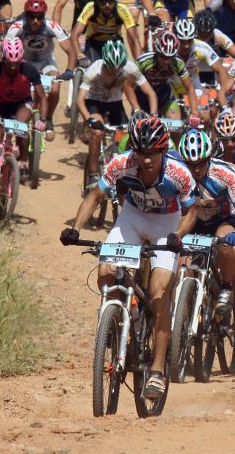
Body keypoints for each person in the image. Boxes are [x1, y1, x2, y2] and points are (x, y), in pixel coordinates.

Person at [61, 115, 197, 399]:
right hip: (132, 218)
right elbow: (95, 196)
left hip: (166, 225)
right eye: (141, 153)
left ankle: (158, 371)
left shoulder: (179, 174)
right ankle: (126, 314)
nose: (146, 161)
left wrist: (178, 236)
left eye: (153, 154)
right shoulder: (120, 165)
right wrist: (75, 229)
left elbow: (192, 212)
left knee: (160, 294)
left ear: (163, 151)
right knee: (106, 275)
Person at [178, 128, 235, 346]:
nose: (196, 169)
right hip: (193, 223)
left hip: (223, 222)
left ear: (210, 158)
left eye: (201, 163)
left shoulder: (226, 174)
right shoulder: (177, 175)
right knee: (181, 267)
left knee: (231, 253)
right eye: (191, 165)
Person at [76, 40, 158, 189]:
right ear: (105, 63)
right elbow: (80, 100)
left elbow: (150, 93)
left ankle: (126, 167)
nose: (114, 72)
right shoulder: (94, 70)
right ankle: (93, 173)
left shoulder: (130, 67)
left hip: (115, 103)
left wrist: (153, 117)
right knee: (97, 132)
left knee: (130, 134)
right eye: (111, 68)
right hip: (94, 101)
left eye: (118, 68)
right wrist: (89, 119)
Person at [0, 36, 47, 192]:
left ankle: (22, 162)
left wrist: (42, 119)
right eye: (9, 64)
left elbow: (41, 97)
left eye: (16, 64)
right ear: (3, 59)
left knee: (21, 127)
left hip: (22, 105)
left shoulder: (29, 70)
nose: (13, 68)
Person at [7, 0, 76, 139]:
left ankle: (48, 119)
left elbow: (70, 51)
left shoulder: (52, 26)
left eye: (39, 17)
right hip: (25, 62)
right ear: (26, 15)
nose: (35, 21)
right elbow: (4, 48)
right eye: (31, 17)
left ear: (44, 16)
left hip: (46, 62)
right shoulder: (17, 27)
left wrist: (69, 70)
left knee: (55, 87)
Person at [136, 28, 201, 125]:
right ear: (157, 52)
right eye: (163, 56)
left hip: (164, 94)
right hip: (143, 96)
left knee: (176, 125)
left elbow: (190, 88)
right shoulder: (144, 62)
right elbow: (128, 86)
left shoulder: (178, 63)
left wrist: (194, 113)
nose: (166, 61)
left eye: (170, 57)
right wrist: (136, 109)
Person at [172, 17, 231, 118]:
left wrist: (222, 91)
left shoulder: (201, 47)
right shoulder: (169, 48)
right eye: (182, 41)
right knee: (176, 119)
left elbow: (221, 70)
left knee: (205, 116)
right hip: (172, 84)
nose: (186, 46)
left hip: (193, 83)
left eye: (189, 41)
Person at [71, 0, 141, 63]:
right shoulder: (90, 8)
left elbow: (134, 39)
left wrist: (140, 61)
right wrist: (80, 55)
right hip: (94, 43)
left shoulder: (122, 10)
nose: (107, 5)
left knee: (120, 70)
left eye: (111, 1)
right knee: (93, 70)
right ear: (96, 1)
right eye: (102, 1)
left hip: (115, 43)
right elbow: (74, 35)